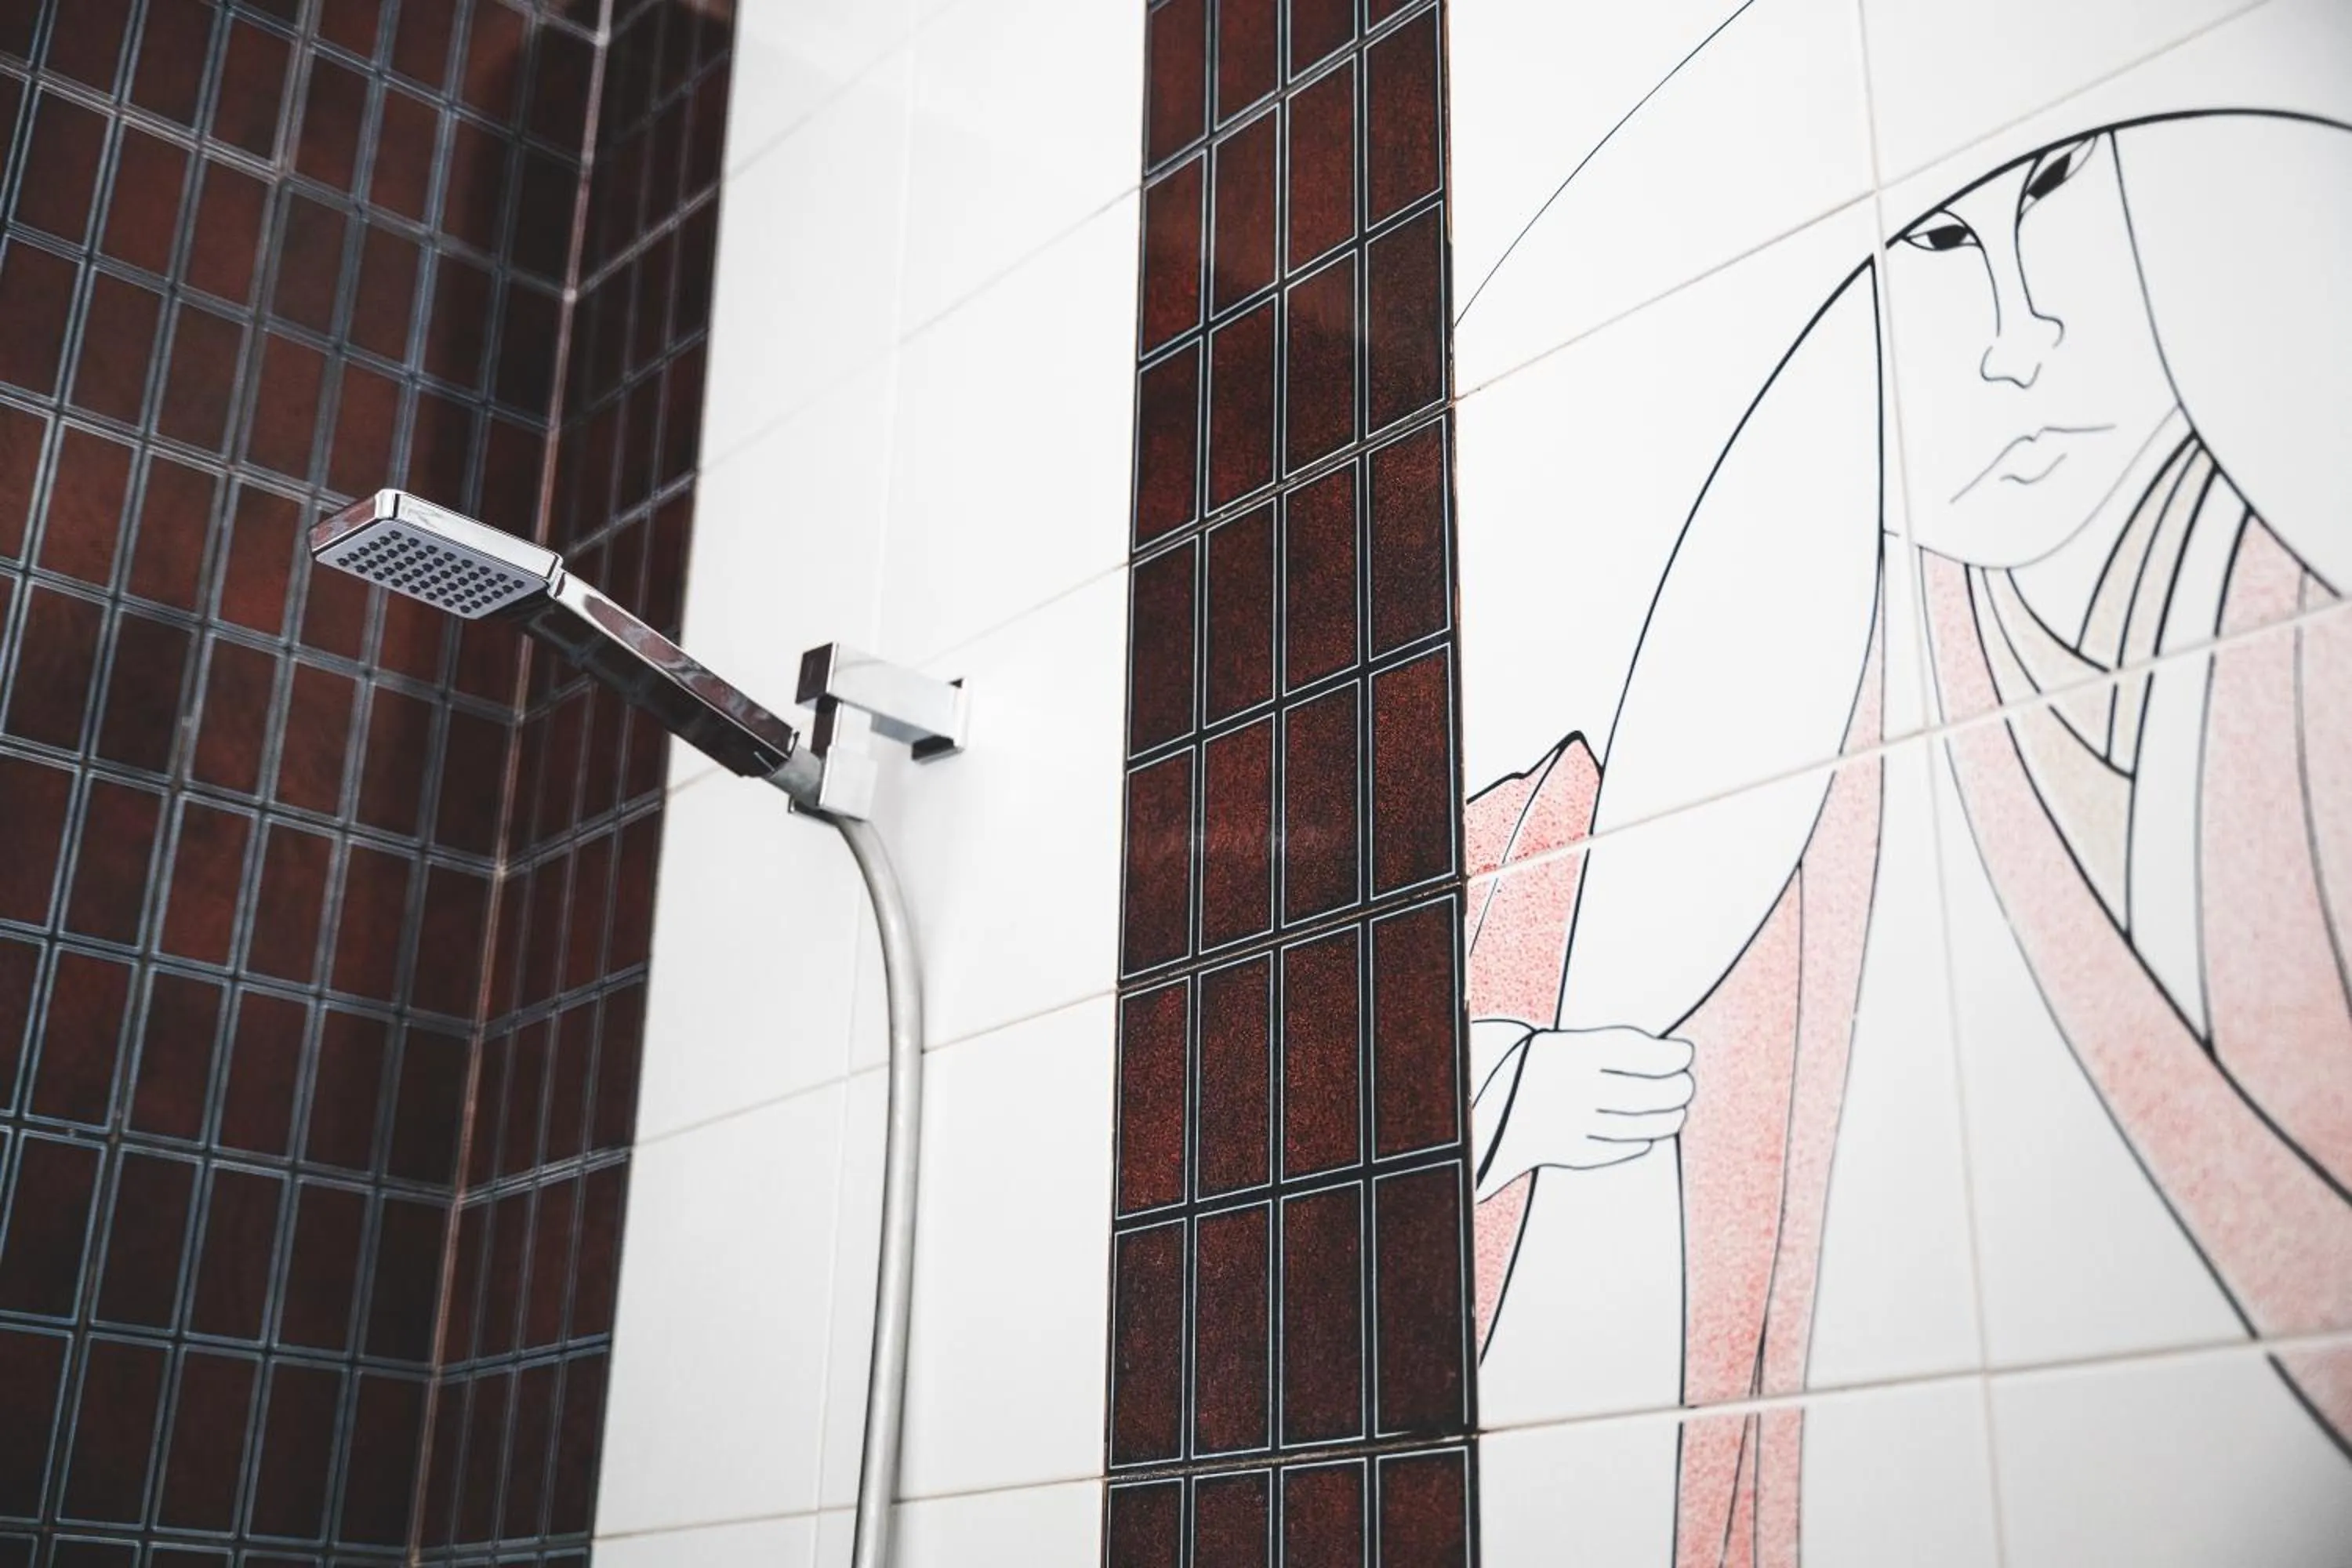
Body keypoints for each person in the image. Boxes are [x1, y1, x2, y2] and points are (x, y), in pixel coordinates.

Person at [1466, 110, 2352, 1565]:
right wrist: (1503, 1089)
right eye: (1940, 243)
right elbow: (1509, 905)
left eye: (2053, 197)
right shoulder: (1794, 718)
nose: (2022, 333)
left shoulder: (2285, 623)